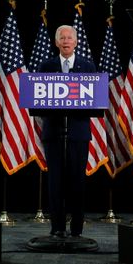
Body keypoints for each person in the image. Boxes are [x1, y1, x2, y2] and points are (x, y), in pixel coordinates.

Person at [37, 24, 97, 239]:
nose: (65, 40)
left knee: (77, 181)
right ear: (56, 42)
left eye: (69, 37)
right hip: (53, 133)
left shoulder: (87, 67)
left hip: (78, 133)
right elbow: (38, 99)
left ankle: (77, 230)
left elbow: (94, 100)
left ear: (76, 41)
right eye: (61, 37)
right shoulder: (46, 67)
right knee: (55, 181)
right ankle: (57, 228)